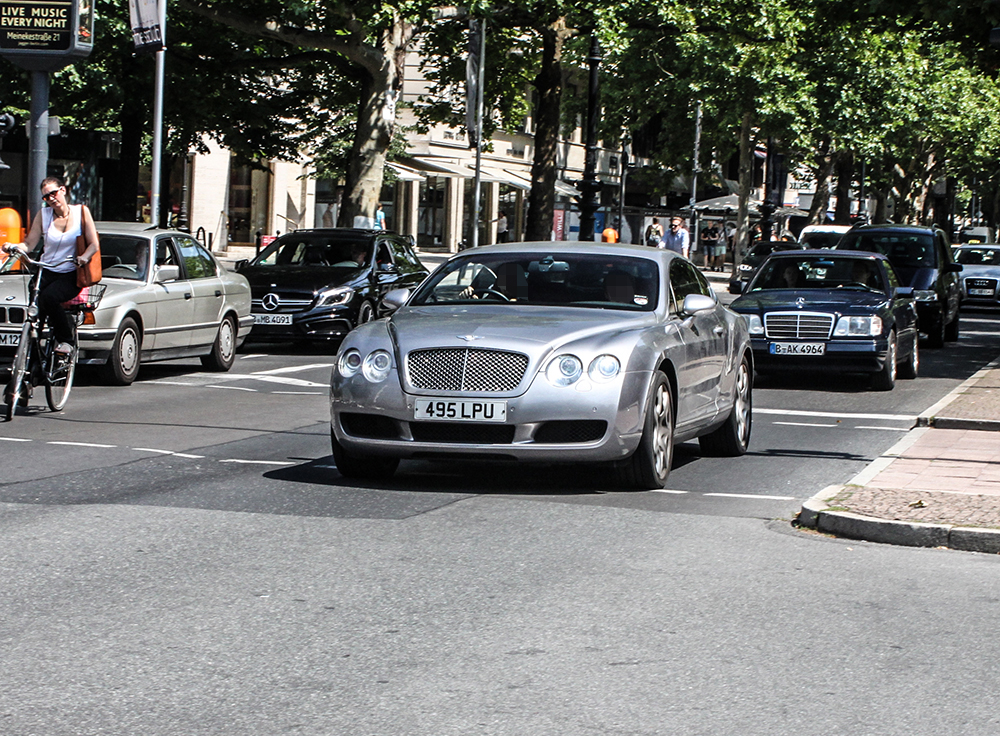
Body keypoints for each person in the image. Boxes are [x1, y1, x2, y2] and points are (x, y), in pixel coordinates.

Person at [2, 176, 99, 355]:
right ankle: (32, 356)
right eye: (46, 197)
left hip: (70, 272)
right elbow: (30, 243)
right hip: (45, 270)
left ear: (63, 190)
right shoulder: (44, 215)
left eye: (53, 193)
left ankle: (66, 340)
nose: (51, 199)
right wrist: (15, 247)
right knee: (34, 306)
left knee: (49, 298)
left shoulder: (81, 212)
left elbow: (94, 244)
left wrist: (84, 257)